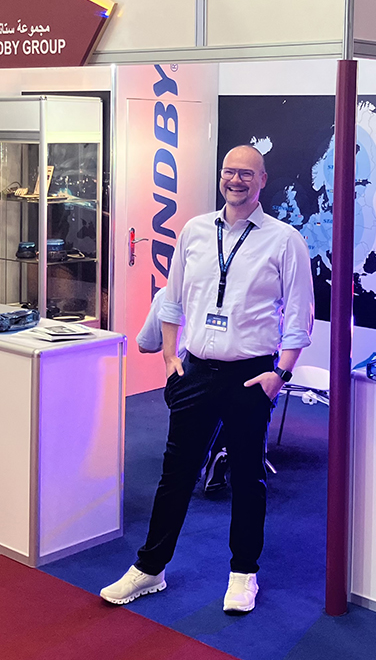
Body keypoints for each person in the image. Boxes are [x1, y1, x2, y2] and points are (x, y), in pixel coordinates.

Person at [101, 144, 314, 613]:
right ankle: (149, 568)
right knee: (174, 474)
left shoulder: (284, 241)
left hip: (250, 376)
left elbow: (300, 317)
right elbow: (172, 299)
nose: (235, 180)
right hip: (194, 370)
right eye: (228, 172)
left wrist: (280, 373)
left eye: (246, 173)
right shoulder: (196, 231)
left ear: (263, 179)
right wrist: (170, 358)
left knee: (247, 477)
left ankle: (243, 574)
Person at [138, 289, 229, 493]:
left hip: (185, 378)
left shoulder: (167, 295)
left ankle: (201, 458)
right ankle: (220, 451)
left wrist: (171, 351)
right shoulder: (235, 291)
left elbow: (145, 345)